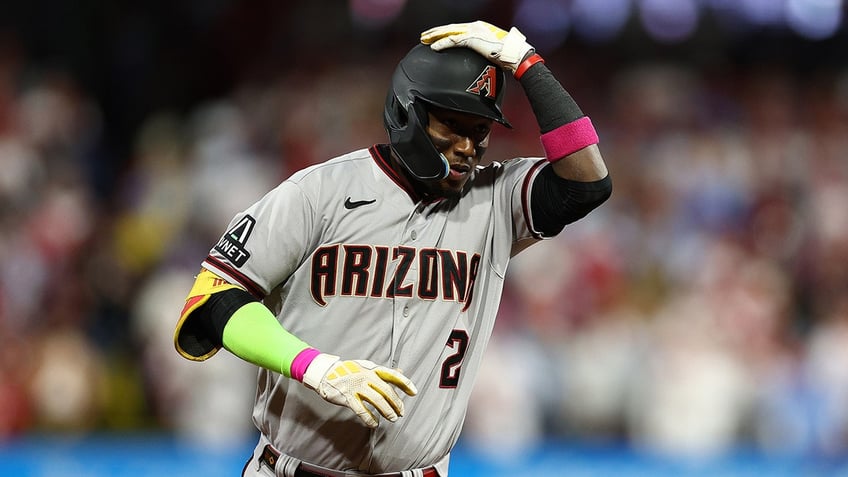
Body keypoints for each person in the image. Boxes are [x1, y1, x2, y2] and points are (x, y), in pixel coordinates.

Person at [173, 20, 611, 477]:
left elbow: (589, 183)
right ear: (408, 112)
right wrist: (317, 368)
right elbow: (214, 300)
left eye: (479, 130)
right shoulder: (318, 192)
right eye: (452, 125)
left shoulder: (495, 199)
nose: (466, 147)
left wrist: (527, 63)